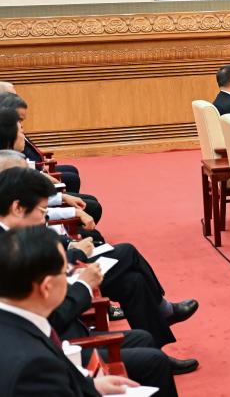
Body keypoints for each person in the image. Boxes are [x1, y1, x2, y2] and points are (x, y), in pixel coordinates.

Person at [0, 167, 199, 348]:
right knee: (127, 252)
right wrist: (79, 260)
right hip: (59, 298)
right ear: (17, 207)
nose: (44, 218)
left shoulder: (11, 228)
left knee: (133, 282)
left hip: (61, 279)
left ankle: (159, 348)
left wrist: (70, 244)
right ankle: (163, 310)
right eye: (42, 211)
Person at [0, 225, 140, 396]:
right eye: (66, 271)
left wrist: (92, 385)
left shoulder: (16, 320)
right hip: (74, 344)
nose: (70, 275)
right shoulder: (34, 366)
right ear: (47, 287)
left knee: (133, 282)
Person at [0, 95, 103, 222]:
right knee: (93, 206)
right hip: (37, 223)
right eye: (20, 131)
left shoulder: (12, 158)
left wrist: (63, 199)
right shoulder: (8, 165)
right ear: (9, 136)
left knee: (89, 202)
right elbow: (32, 208)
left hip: (39, 213)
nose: (23, 131)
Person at [0, 83, 83, 193]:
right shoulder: (7, 129)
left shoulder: (13, 124)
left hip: (32, 170)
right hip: (25, 182)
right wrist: (39, 170)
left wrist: (43, 162)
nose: (16, 98)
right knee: (72, 179)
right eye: (12, 95)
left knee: (71, 171)